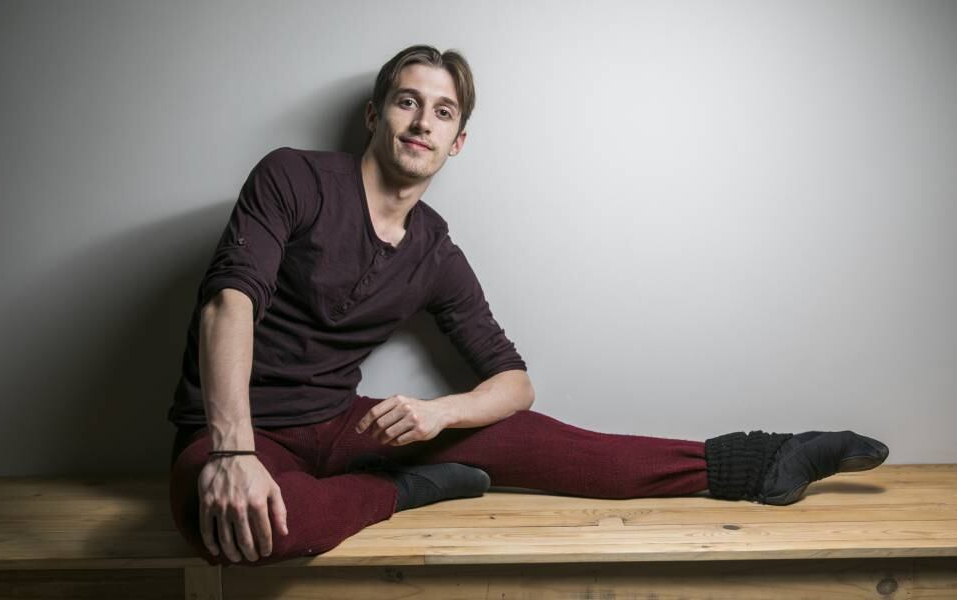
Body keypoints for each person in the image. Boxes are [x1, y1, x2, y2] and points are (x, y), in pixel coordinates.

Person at [167, 44, 889, 567]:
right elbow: (228, 303)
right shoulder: (293, 177)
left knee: (550, 441)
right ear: (375, 113)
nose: (422, 121)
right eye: (407, 100)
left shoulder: (436, 252)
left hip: (343, 424)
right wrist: (232, 450)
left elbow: (516, 383)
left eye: (442, 112)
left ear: (458, 142)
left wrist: (439, 413)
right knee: (248, 530)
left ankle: (763, 461)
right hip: (232, 430)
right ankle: (403, 492)